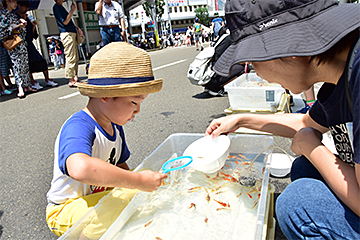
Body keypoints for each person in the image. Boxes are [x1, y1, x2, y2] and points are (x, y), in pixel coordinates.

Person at [206, 0, 360, 239]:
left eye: (255, 62)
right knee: (303, 167)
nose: (257, 73)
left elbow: (307, 136)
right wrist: (240, 120)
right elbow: (305, 124)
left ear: (290, 50)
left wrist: (313, 148)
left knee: (296, 203)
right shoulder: (339, 76)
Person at [46, 42, 167, 238]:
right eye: (134, 102)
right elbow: (80, 168)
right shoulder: (79, 126)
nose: (137, 110)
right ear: (107, 95)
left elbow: (121, 167)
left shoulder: (115, 127)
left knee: (142, 183)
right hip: (65, 210)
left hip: (100, 200)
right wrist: (137, 181)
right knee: (118, 205)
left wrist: (140, 184)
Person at [16, 0, 58, 90]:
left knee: (41, 61)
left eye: (27, 8)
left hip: (29, 44)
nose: (26, 10)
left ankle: (47, 79)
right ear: (19, 6)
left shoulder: (27, 18)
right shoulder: (15, 18)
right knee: (28, 64)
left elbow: (33, 35)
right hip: (20, 44)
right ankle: (32, 81)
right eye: (25, 7)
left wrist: (33, 26)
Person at [0, 0, 35, 98]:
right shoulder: (3, 14)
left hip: (21, 41)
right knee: (17, 64)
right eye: (13, 2)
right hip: (13, 43)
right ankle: (20, 86)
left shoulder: (14, 15)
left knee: (24, 63)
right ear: (7, 2)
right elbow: (3, 31)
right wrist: (17, 26)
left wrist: (22, 24)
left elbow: (21, 30)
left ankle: (26, 85)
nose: (15, 4)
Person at [53, 0, 83, 87]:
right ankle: (71, 79)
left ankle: (75, 77)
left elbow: (68, 21)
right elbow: (65, 22)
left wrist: (77, 28)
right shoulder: (56, 7)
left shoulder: (60, 7)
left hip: (71, 32)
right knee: (71, 57)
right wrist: (72, 11)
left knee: (75, 57)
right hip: (67, 34)